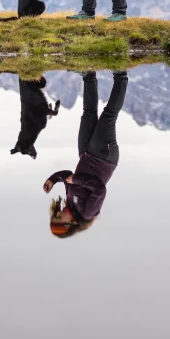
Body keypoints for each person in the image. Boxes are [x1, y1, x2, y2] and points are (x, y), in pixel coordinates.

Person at [43, 70, 128, 238]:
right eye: (59, 218)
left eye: (56, 215)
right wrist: (77, 180)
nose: (59, 213)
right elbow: (99, 190)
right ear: (69, 224)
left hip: (86, 155)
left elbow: (67, 176)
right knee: (109, 115)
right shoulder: (87, 213)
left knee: (88, 113)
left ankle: (89, 75)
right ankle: (121, 75)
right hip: (103, 158)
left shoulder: (70, 205)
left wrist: (52, 180)